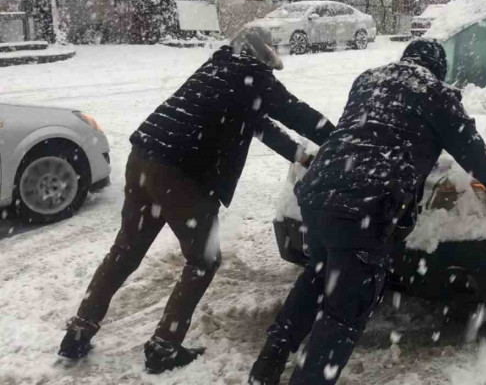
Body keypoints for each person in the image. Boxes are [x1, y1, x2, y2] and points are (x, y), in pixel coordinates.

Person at [248, 39, 486, 385]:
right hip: (364, 205)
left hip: (319, 191)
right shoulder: (435, 92)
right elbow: (467, 144)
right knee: (344, 312)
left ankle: (267, 365)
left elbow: (368, 132)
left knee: (317, 278)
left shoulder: (369, 80)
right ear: (439, 70)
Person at [58, 27, 336, 374]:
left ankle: (79, 331)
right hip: (182, 174)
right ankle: (164, 347)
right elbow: (297, 113)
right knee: (204, 260)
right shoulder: (252, 76)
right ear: (260, 56)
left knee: (125, 251)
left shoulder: (216, 69)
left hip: (143, 159)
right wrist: (341, 137)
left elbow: (260, 125)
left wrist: (302, 156)